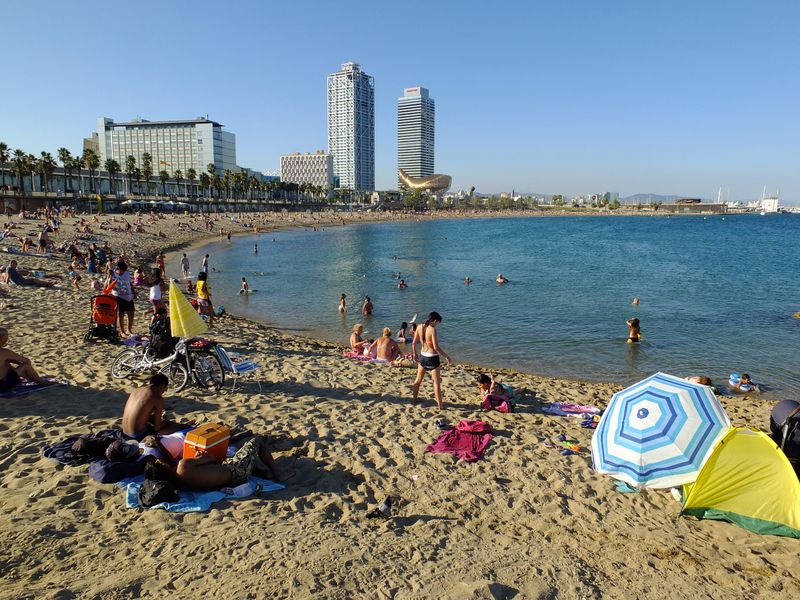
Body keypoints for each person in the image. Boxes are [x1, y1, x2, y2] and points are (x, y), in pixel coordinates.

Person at [147, 433, 290, 490]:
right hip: (236, 472)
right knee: (256, 441)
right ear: (163, 465)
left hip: (227, 481)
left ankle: (263, 473)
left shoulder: (177, 483)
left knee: (239, 454)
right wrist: (201, 455)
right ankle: (278, 474)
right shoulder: (183, 465)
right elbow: (211, 458)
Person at [411, 312, 453, 410]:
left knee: (418, 380)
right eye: (437, 322)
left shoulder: (419, 326)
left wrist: (415, 354)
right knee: (436, 382)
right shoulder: (432, 330)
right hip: (433, 358)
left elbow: (413, 343)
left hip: (422, 356)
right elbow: (436, 347)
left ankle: (414, 400)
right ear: (435, 320)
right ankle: (440, 406)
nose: (437, 325)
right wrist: (446, 356)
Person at [121, 374, 182, 440]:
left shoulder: (136, 390)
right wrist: (164, 422)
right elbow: (157, 428)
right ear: (161, 386)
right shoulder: (157, 397)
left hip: (124, 431)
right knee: (172, 427)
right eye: (165, 388)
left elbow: (140, 413)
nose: (164, 391)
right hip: (137, 435)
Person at [0, 327, 54, 393]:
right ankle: (41, 382)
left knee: (6, 364)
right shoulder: (4, 352)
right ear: (2, 340)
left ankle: (28, 377)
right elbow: (26, 361)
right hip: (2, 386)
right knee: (25, 367)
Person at [108, 260, 136, 337]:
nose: (122, 272)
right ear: (118, 268)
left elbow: (130, 283)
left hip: (129, 296)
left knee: (131, 313)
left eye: (124, 270)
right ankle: (122, 331)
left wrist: (133, 291)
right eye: (121, 270)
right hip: (119, 296)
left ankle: (129, 330)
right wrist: (109, 275)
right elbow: (109, 285)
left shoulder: (127, 273)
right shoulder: (113, 273)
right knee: (121, 314)